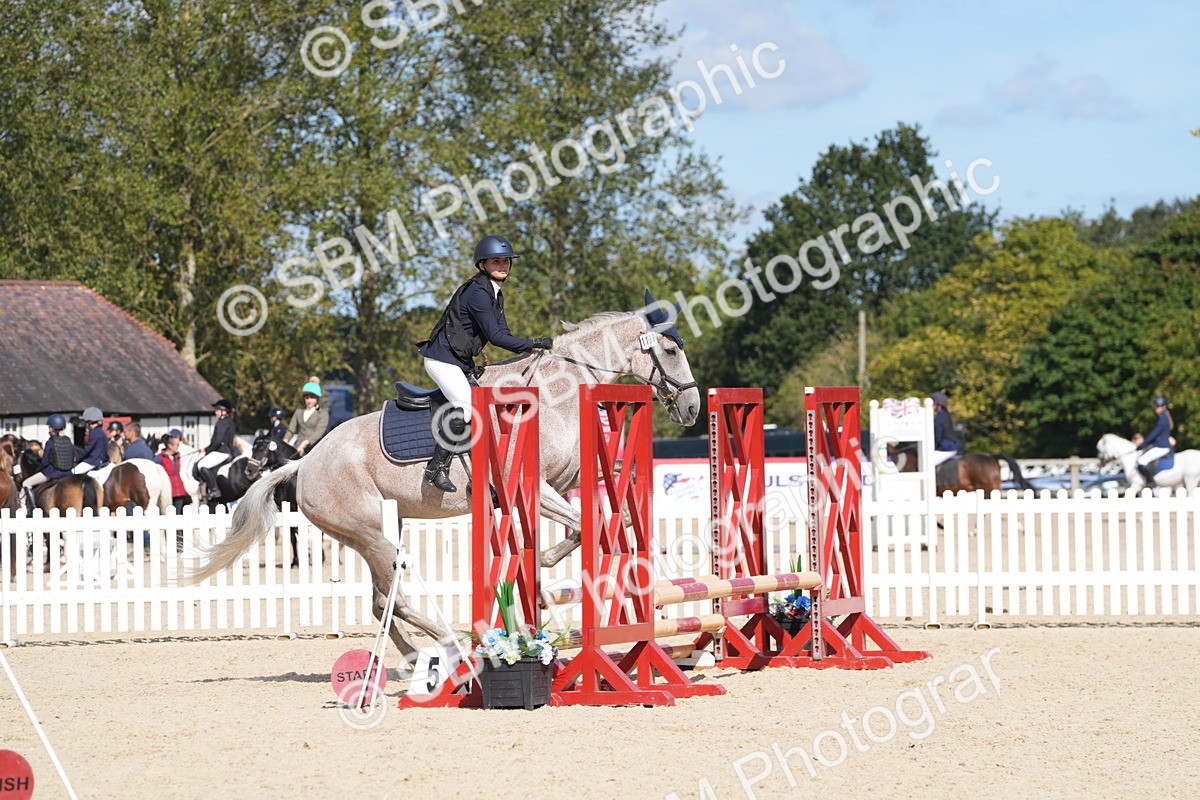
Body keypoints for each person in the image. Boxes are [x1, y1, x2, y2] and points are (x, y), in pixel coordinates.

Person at [415, 234, 553, 492]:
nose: (503, 265)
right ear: (482, 264)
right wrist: (532, 342)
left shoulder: (494, 293)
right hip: (442, 361)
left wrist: (529, 344)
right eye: (496, 261)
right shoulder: (478, 293)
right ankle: (435, 469)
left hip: (459, 362)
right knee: (467, 408)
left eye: (506, 261)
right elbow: (497, 337)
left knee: (485, 411)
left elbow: (505, 332)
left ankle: (479, 478)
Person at [19, 414, 76, 508]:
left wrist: (38, 462)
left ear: (52, 428)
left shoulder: (50, 442)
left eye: (49, 427)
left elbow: (45, 463)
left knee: (26, 483)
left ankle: (30, 509)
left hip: (52, 473)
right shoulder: (68, 440)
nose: (48, 429)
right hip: (68, 473)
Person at [156, 429, 192, 550]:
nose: (178, 447)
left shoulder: (178, 456)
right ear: (170, 445)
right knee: (171, 517)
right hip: (168, 491)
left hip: (180, 490)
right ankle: (172, 542)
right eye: (176, 444)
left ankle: (180, 542)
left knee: (180, 516)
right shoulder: (159, 458)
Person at [197, 399, 237, 501]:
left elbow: (217, 441)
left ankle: (214, 489)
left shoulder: (222, 422)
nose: (216, 412)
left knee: (201, 465)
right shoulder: (229, 421)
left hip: (222, 451)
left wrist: (207, 450)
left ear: (224, 411)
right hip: (228, 450)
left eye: (217, 410)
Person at [1135, 395, 1173, 487]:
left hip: (1162, 446)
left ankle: (1151, 482)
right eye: (1155, 406)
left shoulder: (1163, 419)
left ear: (1163, 407)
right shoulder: (1162, 417)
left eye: (1157, 406)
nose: (1155, 408)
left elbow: (1154, 434)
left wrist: (1143, 444)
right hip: (1159, 445)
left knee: (1141, 461)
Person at [288, 379, 329, 456]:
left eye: (312, 398)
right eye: (307, 398)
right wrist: (285, 441)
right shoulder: (298, 412)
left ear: (317, 398)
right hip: (297, 449)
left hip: (315, 450)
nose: (309, 401)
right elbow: (291, 429)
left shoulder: (323, 414)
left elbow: (319, 432)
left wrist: (305, 443)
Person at [74, 407, 110, 474]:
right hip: (102, 459)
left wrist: (76, 458)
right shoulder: (100, 432)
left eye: (86, 422)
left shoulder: (95, 432)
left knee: (72, 472)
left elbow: (88, 449)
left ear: (90, 422)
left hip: (94, 460)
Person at [930, 391, 961, 468]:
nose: (931, 406)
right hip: (949, 446)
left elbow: (938, 436)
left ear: (938, 404)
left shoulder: (940, 417)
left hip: (946, 447)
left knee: (928, 463)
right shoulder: (945, 414)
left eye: (932, 403)